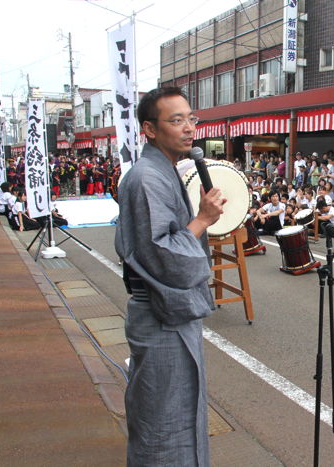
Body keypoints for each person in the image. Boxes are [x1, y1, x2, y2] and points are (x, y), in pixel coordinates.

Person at [114, 87, 226, 467]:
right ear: (149, 129)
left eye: (191, 118)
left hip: (170, 312)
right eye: (176, 120)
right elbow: (161, 255)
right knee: (163, 421)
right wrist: (202, 220)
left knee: (176, 413)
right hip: (159, 314)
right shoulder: (147, 177)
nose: (189, 128)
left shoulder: (163, 171)